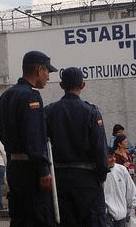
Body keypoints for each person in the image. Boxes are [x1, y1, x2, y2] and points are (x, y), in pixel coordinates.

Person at [0, 50, 57, 227]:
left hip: (14, 166)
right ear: (39, 70)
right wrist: (43, 169)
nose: (48, 77)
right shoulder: (31, 96)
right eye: (47, 72)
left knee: (19, 218)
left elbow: (3, 130)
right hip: (31, 169)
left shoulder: (6, 96)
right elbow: (34, 136)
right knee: (38, 218)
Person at [45, 67, 108, 227]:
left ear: (61, 85)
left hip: (59, 179)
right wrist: (101, 175)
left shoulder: (50, 111)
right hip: (87, 179)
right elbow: (100, 148)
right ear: (83, 85)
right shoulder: (91, 112)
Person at [104, 148, 136, 227]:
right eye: (110, 157)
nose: (113, 159)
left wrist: (135, 206)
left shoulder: (121, 170)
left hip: (122, 215)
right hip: (107, 216)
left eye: (114, 156)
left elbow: (131, 191)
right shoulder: (99, 173)